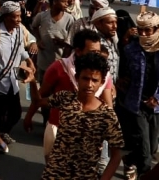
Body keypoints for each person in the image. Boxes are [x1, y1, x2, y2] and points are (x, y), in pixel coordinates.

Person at [27, 52, 124, 180]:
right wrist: (33, 81)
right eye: (85, 78)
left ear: (101, 82)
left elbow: (117, 155)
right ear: (77, 77)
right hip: (53, 174)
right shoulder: (65, 98)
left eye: (94, 80)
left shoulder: (107, 115)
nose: (89, 84)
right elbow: (38, 102)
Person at [24, 29, 113, 163]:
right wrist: (28, 116)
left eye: (98, 52)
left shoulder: (104, 75)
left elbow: (108, 107)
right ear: (78, 51)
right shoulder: (59, 69)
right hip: (57, 130)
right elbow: (40, 98)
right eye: (92, 52)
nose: (90, 85)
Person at [0, 1, 36, 162]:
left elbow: (21, 50)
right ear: (5, 17)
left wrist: (29, 61)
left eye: (19, 16)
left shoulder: (18, 31)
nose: (18, 20)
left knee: (15, 114)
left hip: (12, 82)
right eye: (15, 17)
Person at [115, 11, 159, 179]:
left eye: (148, 30)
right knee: (145, 151)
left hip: (155, 106)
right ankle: (143, 173)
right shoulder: (131, 48)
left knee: (153, 146)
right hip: (136, 103)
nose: (144, 34)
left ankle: (129, 159)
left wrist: (157, 98)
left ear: (156, 29)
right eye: (140, 30)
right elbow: (122, 72)